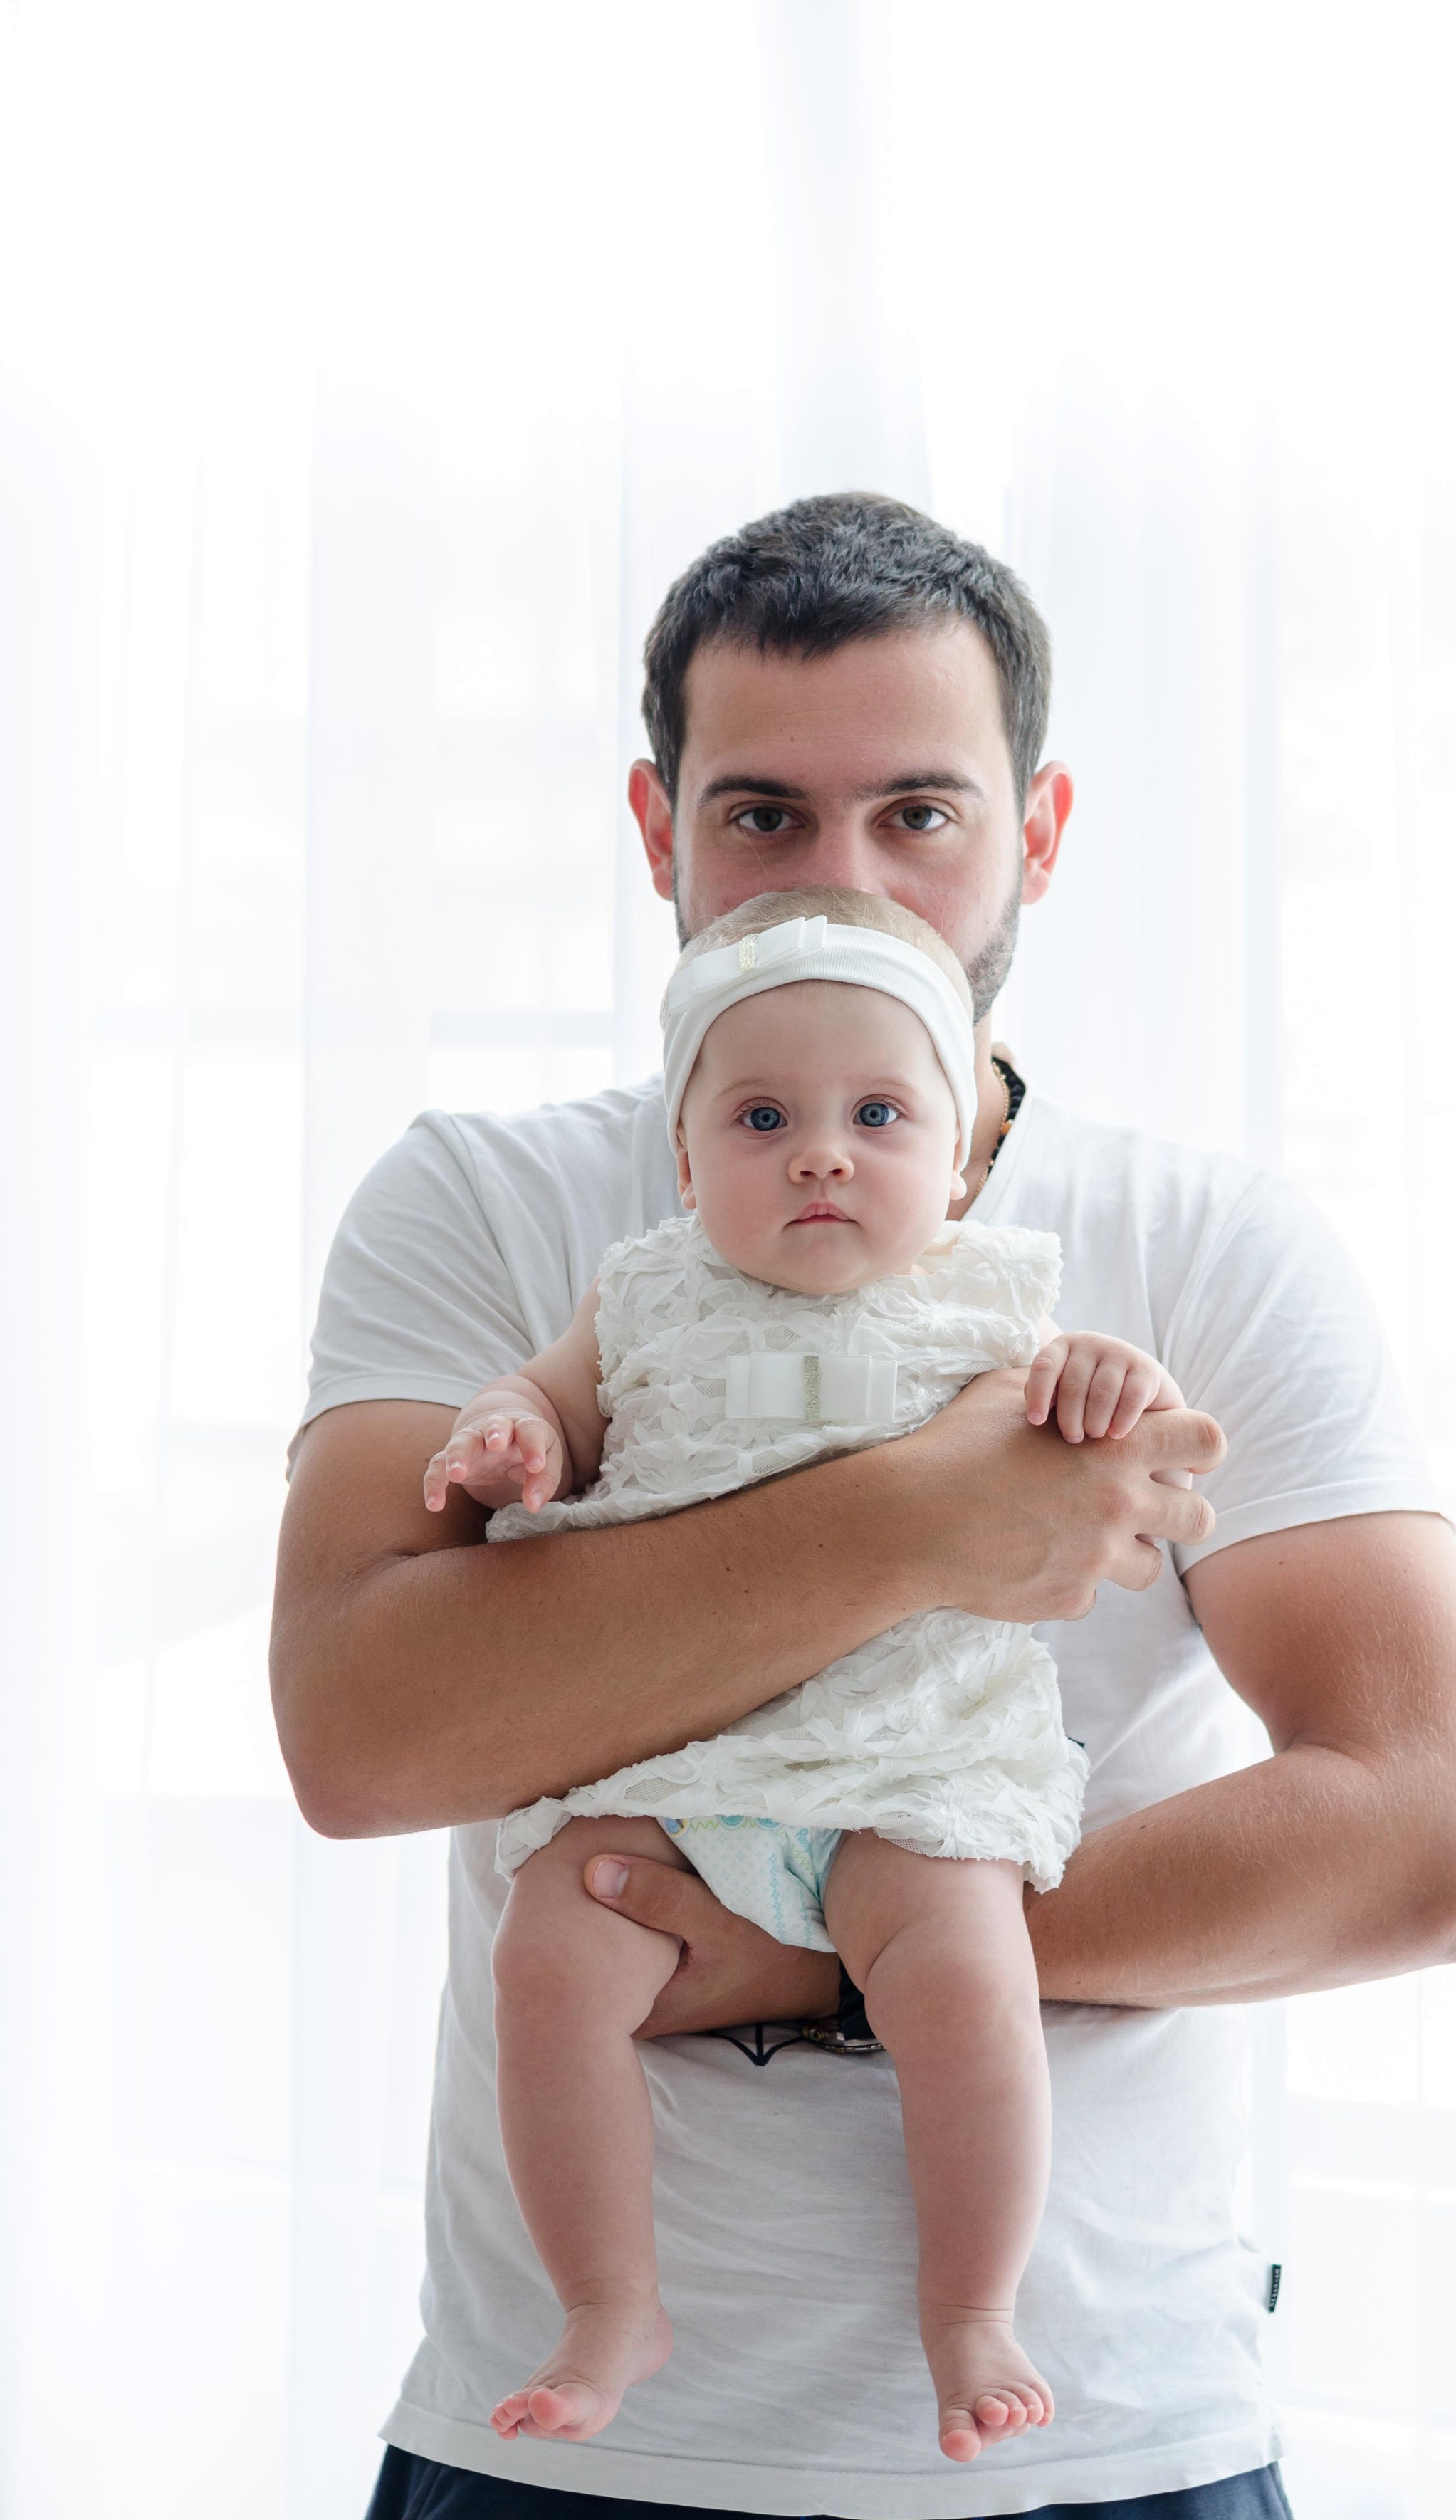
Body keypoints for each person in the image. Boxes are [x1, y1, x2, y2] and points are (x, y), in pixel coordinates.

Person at [273, 493, 1456, 2520]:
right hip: (562, 2457)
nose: (840, 883)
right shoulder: (489, 1208)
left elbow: (1425, 1841)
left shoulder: (1203, 1245)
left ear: (1038, 832)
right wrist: (930, 1523)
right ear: (659, 831)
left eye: (919, 814)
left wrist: (821, 1950)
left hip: (1108, 2440)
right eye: (763, 815)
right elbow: (360, 1732)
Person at [422, 889, 1184, 2463]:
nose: (821, 1155)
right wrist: (513, 1436)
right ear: (686, 1159)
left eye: (877, 1116)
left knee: (967, 1979)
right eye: (762, 1119)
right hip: (673, 1757)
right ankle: (605, 2302)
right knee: (548, 1960)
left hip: (906, 1761)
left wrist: (1113, 1376)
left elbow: (1103, 1419)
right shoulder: (640, 1293)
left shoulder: (995, 1303)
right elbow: (550, 1400)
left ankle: (971, 2309)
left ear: (958, 1156)